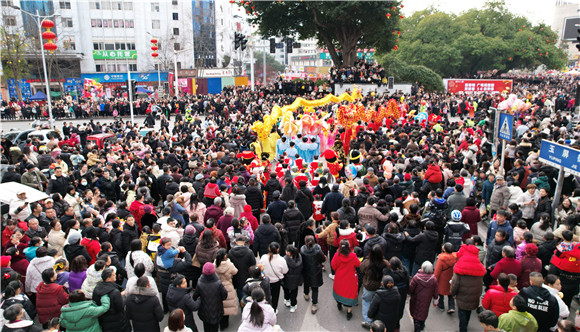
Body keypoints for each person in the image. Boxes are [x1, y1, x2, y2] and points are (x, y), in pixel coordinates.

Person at [92, 267, 131, 332]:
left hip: (104, 321)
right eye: (113, 274)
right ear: (108, 278)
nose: (115, 275)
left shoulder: (97, 288)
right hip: (117, 323)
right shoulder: (115, 292)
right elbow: (120, 306)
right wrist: (123, 296)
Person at [360, 244, 390, 327]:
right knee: (379, 304)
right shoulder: (385, 263)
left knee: (366, 302)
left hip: (369, 286)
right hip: (381, 287)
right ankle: (378, 322)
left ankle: (368, 321)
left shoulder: (367, 263)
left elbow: (361, 268)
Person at [192, 262, 228, 332]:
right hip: (216, 310)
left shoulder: (200, 283)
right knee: (215, 328)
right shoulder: (218, 283)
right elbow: (224, 296)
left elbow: (195, 297)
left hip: (204, 311)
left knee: (206, 328)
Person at [332, 238, 362, 321]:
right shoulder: (353, 256)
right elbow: (358, 264)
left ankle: (339, 303)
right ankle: (349, 313)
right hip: (350, 278)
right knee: (350, 294)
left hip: (339, 277)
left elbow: (333, 266)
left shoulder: (337, 254)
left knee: (339, 291)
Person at [409, 261, 439, 332]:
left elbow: (410, 289)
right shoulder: (434, 279)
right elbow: (436, 292)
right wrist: (435, 300)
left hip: (416, 300)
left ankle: (417, 328)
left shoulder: (416, 278)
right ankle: (422, 324)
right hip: (427, 301)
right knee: (423, 312)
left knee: (416, 315)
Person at [259, 242, 288, 312]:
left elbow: (260, 267)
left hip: (265, 280)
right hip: (276, 281)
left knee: (266, 295)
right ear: (278, 250)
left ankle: (266, 309)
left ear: (269, 249)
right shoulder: (281, 259)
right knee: (275, 296)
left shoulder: (263, 257)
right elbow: (285, 271)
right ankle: (274, 309)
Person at [214, 248, 239, 330]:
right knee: (227, 304)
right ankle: (225, 324)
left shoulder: (214, 264)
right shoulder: (229, 264)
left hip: (217, 284)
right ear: (225, 256)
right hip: (228, 284)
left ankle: (220, 320)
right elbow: (235, 271)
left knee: (219, 303)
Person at [434, 243, 457, 313]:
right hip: (452, 276)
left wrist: (435, 279)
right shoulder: (456, 257)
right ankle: (451, 306)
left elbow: (437, 271)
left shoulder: (441, 259)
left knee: (441, 292)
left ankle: (441, 305)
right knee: (451, 292)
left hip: (442, 278)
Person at [282, 244, 303, 313]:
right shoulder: (299, 258)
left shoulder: (285, 259)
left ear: (288, 252)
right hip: (296, 280)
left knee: (286, 290)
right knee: (294, 293)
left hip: (286, 279)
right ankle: (293, 305)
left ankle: (287, 299)